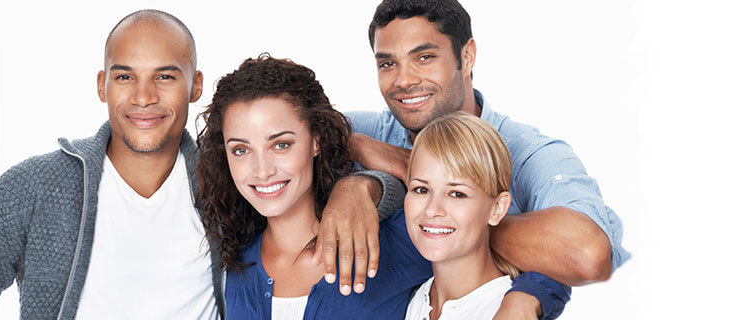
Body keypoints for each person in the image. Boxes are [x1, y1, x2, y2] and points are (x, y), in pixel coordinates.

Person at [0, 9, 402, 319]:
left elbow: (300, 188)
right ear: (101, 84)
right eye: (124, 77)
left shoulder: (222, 188)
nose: (143, 97)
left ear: (195, 86)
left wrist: (362, 186)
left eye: (165, 77)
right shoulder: (35, 187)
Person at [342, 0, 630, 317]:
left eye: (424, 57)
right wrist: (356, 169)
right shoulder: (371, 133)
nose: (404, 80)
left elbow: (587, 254)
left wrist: (468, 226)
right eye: (387, 64)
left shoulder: (529, 154)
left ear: (467, 57)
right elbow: (291, 126)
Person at [196, 54, 431, 319]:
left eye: (281, 145)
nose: (262, 171)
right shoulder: (232, 263)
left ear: (315, 141)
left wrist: (363, 180)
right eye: (241, 150)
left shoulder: (396, 242)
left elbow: (476, 208)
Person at [403, 112, 521, 320]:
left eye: (457, 194)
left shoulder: (505, 310)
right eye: (421, 189)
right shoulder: (415, 299)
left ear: (497, 208)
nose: (432, 209)